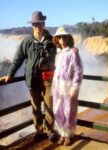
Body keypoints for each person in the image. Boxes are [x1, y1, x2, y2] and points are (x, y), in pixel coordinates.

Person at [0, 11, 56, 141]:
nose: (37, 26)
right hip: (33, 79)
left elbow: (64, 48)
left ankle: (50, 131)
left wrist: (71, 49)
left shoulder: (51, 40)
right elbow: (18, 59)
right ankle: (39, 131)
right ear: (32, 26)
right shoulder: (27, 41)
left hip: (48, 78)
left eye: (39, 23)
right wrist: (10, 74)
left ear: (44, 23)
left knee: (50, 105)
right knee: (36, 107)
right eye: (35, 24)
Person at [52, 27, 83, 146]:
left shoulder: (72, 52)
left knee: (69, 111)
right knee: (59, 111)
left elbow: (78, 70)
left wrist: (75, 86)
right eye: (59, 37)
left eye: (64, 37)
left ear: (68, 39)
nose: (62, 39)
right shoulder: (58, 53)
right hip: (58, 86)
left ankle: (69, 134)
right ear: (57, 40)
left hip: (69, 87)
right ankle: (62, 133)